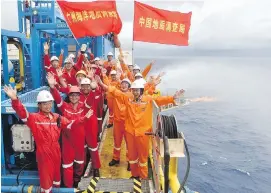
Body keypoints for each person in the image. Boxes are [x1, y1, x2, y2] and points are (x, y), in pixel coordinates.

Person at [3, 85, 92, 193]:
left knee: (57, 182)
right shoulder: (35, 119)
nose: (48, 106)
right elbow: (22, 113)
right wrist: (15, 99)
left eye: (50, 102)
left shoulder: (57, 117)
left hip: (56, 153)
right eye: (44, 103)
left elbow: (71, 124)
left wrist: (84, 118)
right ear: (39, 105)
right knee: (46, 186)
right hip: (44, 156)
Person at [98, 80, 184, 179]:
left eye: (137, 90)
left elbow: (160, 100)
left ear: (141, 91)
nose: (135, 92)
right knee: (132, 156)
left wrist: (172, 98)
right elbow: (115, 92)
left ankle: (143, 177)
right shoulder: (128, 98)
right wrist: (101, 83)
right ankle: (135, 175)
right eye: (133, 90)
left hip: (143, 134)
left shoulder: (148, 99)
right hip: (130, 133)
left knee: (143, 159)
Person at [47, 74, 90, 188]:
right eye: (72, 95)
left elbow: (94, 99)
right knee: (67, 165)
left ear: (80, 96)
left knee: (80, 163)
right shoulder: (65, 107)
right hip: (67, 142)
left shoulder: (84, 107)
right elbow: (58, 99)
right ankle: (68, 186)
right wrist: (52, 87)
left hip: (80, 141)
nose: (74, 97)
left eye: (76, 95)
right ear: (69, 96)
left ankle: (77, 182)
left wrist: (94, 87)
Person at [107, 78, 133, 171]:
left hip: (127, 123)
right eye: (122, 83)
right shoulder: (116, 93)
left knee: (129, 143)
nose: (124, 85)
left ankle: (130, 161)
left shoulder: (131, 95)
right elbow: (108, 87)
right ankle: (115, 158)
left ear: (129, 87)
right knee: (117, 142)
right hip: (117, 123)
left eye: (126, 84)